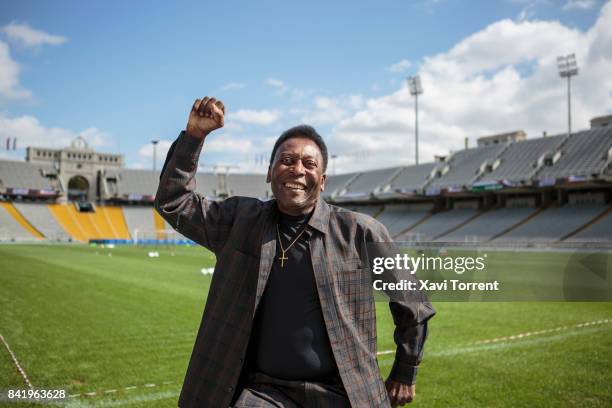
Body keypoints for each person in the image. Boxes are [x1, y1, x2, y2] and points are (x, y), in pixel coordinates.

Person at [155, 96, 435, 407]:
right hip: (265, 392)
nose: (297, 170)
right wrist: (195, 136)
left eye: (309, 163)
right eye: (286, 160)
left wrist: (405, 371)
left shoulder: (360, 232)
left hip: (345, 391)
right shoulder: (240, 221)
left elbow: (413, 304)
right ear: (269, 172)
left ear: (323, 180)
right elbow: (174, 202)